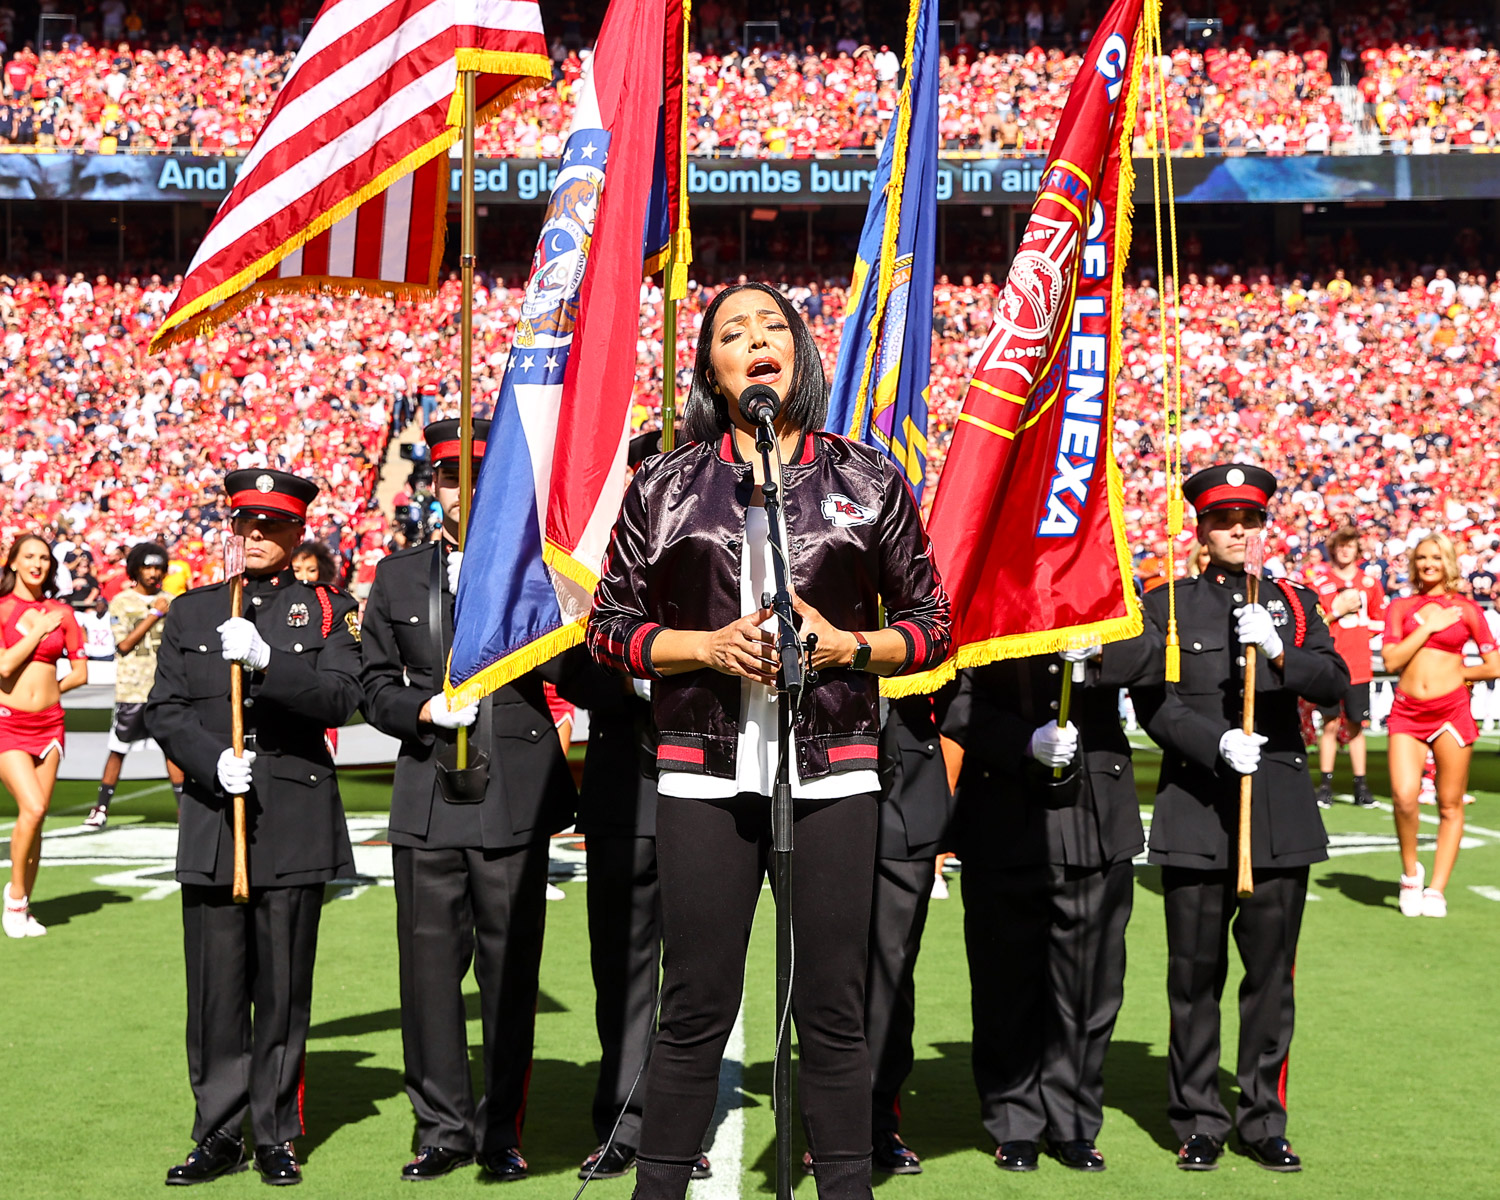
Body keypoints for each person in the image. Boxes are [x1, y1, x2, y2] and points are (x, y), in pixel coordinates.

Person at [588, 282, 952, 1200]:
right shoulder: (664, 485)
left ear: (799, 354)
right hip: (702, 772)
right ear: (711, 368)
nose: (756, 342)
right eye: (731, 333)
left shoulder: (868, 479)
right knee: (694, 1007)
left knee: (833, 1012)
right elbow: (607, 628)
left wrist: (846, 646)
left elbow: (933, 624)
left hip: (832, 772)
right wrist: (705, 648)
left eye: (774, 328)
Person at [360, 418, 577, 1183]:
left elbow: (576, 668)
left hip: (513, 795)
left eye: (478, 475)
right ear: (434, 485)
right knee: (426, 979)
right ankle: (440, 1131)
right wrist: (421, 711)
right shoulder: (396, 575)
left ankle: (499, 1132)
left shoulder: (536, 573)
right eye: (451, 476)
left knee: (510, 972)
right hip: (429, 796)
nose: (463, 489)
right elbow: (373, 685)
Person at [145, 469, 364, 1187]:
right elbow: (165, 708)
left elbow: (342, 698)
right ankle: (216, 1132)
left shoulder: (326, 609)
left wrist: (270, 664)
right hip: (216, 819)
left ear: (299, 531)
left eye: (275, 524)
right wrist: (211, 762)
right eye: (248, 524)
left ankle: (274, 1132)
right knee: (213, 993)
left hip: (292, 821)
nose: (260, 535)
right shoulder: (190, 612)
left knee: (283, 990)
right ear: (233, 529)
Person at [1133, 464, 1348, 1174]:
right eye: (1223, 520)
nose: (1237, 531)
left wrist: (1280, 650)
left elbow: (1336, 682)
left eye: (1249, 520)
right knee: (1193, 978)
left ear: (1263, 527)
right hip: (1196, 808)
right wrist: (1214, 742)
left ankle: (1263, 1119)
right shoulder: (1165, 603)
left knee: (1270, 981)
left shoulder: (1295, 600)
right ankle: (1199, 1118)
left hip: (1278, 818)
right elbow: (1154, 704)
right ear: (1201, 528)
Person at [944, 627, 1160, 1174]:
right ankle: (1014, 1120)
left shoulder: (1104, 582)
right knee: (1004, 985)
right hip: (1004, 814)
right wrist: (1022, 740)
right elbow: (951, 696)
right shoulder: (987, 590)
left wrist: (1103, 650)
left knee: (1090, 989)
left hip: (1095, 818)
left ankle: (1073, 1122)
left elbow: (1158, 652)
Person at [1381, 533, 1500, 918]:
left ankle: (1436, 889)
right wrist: (1428, 627)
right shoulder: (1400, 607)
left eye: (1435, 557)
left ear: (1448, 562)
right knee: (1403, 796)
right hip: (1406, 712)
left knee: (1450, 803)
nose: (1428, 564)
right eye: (1421, 558)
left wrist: (1459, 674)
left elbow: (1494, 664)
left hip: (1452, 712)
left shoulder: (1467, 610)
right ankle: (1410, 874)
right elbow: (1392, 660)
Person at [864, 693, 958, 1176]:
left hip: (906, 783)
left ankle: (880, 1122)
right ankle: (829, 1123)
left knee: (893, 975)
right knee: (825, 970)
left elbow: (962, 698)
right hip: (818, 776)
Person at [0, 534, 88, 938]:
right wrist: (37, 631)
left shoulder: (63, 613)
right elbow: (3, 667)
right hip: (7, 723)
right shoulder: (3, 611)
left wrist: (51, 694)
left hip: (50, 725)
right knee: (32, 808)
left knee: (37, 820)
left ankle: (25, 905)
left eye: (44, 558)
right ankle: (15, 899)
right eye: (29, 557)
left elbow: (80, 672)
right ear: (13, 562)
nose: (37, 564)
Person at [84, 541, 185, 830]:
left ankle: (184, 809)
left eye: (158, 567)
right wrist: (154, 614)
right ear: (135, 570)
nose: (154, 573)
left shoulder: (173, 601)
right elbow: (124, 645)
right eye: (147, 567)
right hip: (132, 688)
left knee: (174, 749)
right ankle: (101, 807)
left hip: (166, 688)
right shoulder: (122, 602)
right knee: (118, 748)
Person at [1304, 525, 1386, 808]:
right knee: (1329, 723)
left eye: (1349, 545)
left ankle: (1360, 786)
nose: (1344, 550)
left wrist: (1361, 634)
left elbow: (1379, 620)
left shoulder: (1369, 582)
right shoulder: (1321, 582)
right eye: (1340, 546)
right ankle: (1325, 785)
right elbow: (1315, 623)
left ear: (1357, 549)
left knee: (1356, 725)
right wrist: (1338, 612)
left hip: (1358, 663)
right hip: (1329, 662)